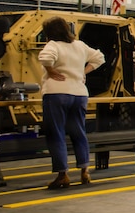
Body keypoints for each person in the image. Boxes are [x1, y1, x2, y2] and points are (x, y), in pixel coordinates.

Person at [39, 16, 105, 189]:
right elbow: (99, 58)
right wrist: (83, 72)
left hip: (56, 93)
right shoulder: (80, 45)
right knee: (78, 132)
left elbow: (45, 58)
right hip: (79, 94)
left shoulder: (53, 45)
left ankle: (63, 175)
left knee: (57, 134)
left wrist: (51, 71)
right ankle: (84, 171)